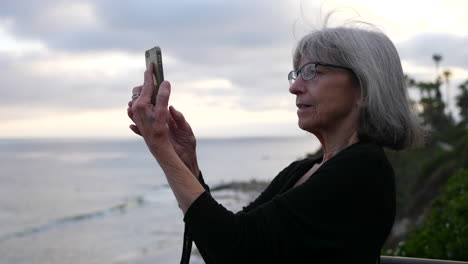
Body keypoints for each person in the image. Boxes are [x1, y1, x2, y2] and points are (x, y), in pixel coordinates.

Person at [127, 20, 423, 264]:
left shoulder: (363, 169)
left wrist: (160, 147)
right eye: (296, 73)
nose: (294, 87)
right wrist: (184, 161)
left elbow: (234, 252)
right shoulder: (303, 170)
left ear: (364, 88)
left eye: (313, 72)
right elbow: (222, 238)